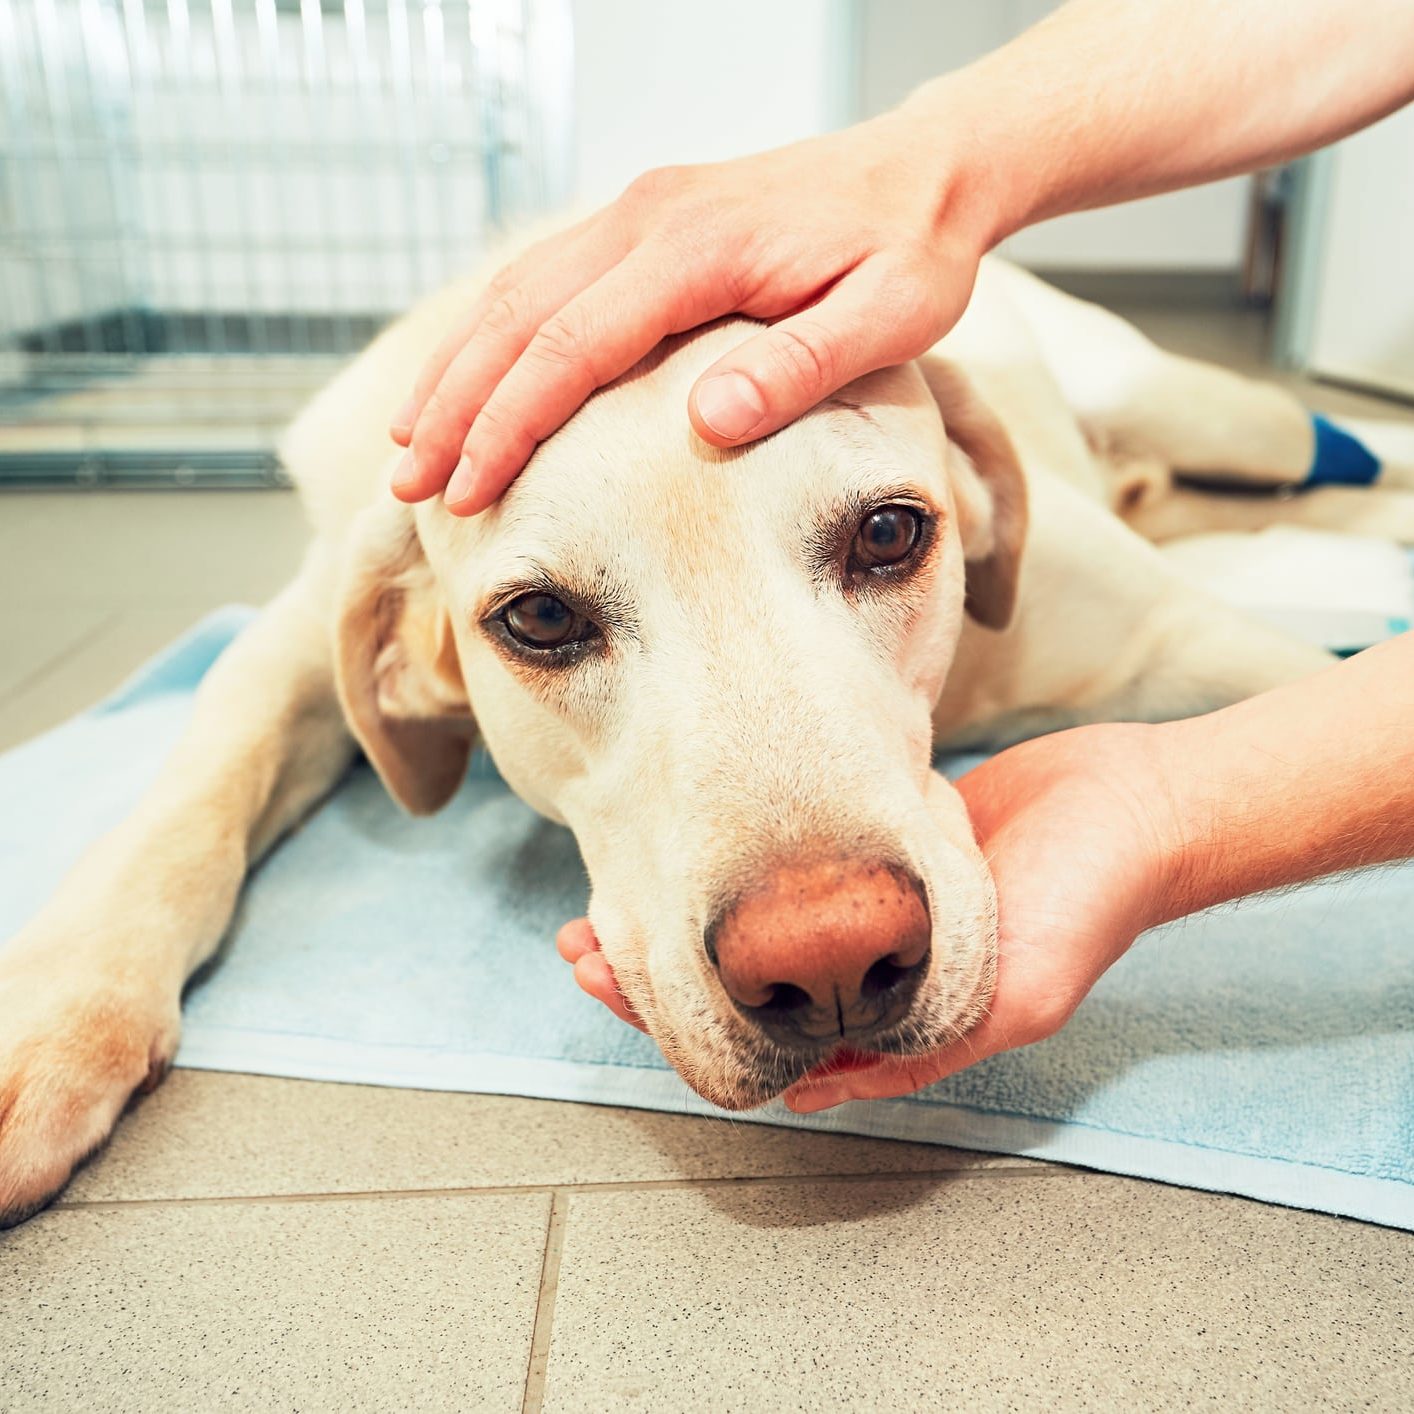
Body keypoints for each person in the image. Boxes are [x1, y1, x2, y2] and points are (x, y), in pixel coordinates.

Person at [391, 0, 1414, 1109]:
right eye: (549, 620)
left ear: (979, 501)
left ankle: (1360, 459)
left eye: (881, 540)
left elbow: (1188, 638)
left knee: (1226, 426)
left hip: (1050, 379)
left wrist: (1182, 811)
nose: (822, 934)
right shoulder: (415, 504)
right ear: (418, 653)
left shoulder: (960, 461)